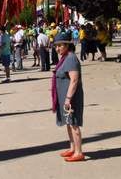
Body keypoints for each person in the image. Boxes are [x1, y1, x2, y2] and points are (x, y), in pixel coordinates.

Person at [52, 31, 85, 162]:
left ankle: (78, 152)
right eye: (56, 46)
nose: (57, 48)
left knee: (73, 123)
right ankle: (72, 148)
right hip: (65, 98)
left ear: (67, 45)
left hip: (71, 98)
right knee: (68, 123)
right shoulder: (65, 58)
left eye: (60, 45)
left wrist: (68, 99)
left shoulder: (71, 58)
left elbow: (74, 80)